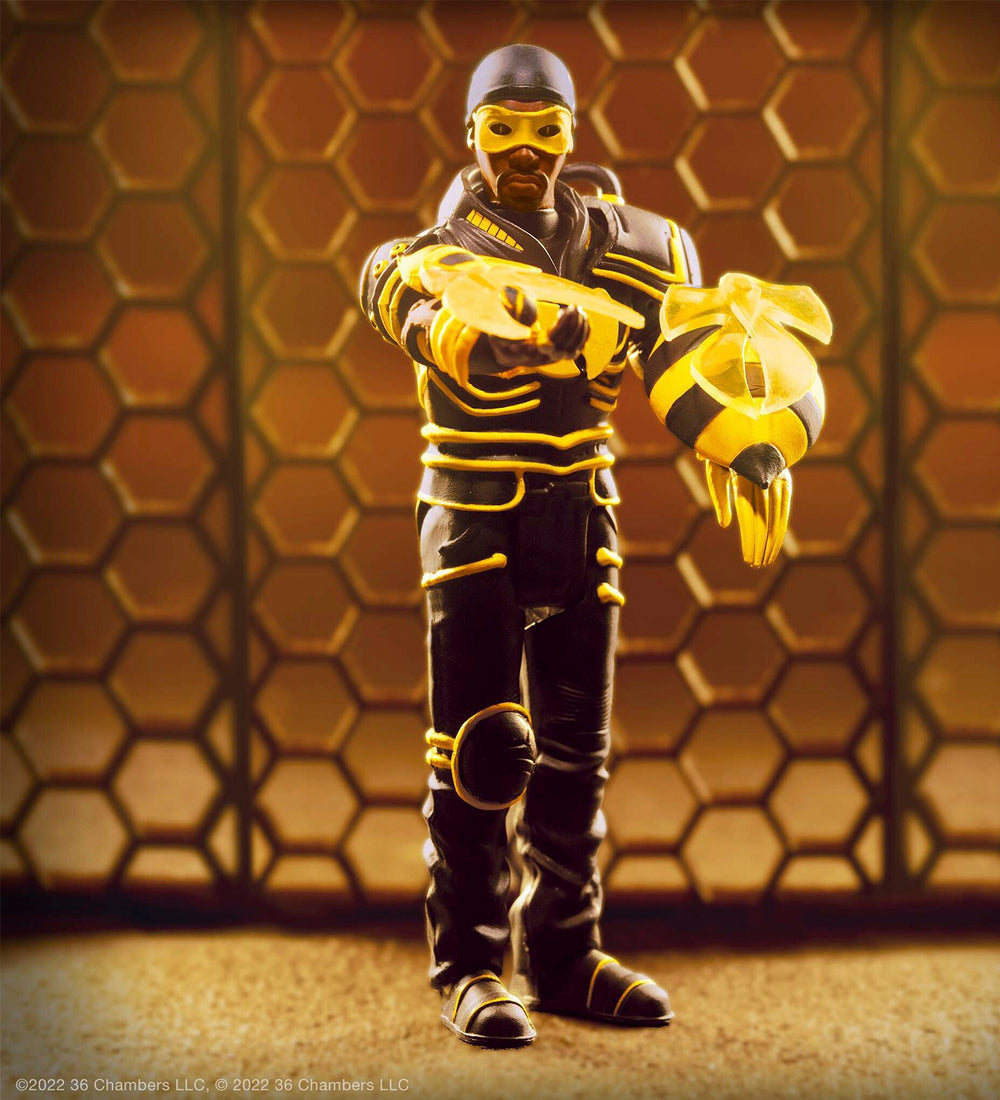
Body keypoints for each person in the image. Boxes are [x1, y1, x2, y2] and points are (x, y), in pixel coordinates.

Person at [358, 44, 826, 1048]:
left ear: (571, 133)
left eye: (543, 129)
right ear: (473, 134)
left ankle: (565, 953)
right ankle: (471, 963)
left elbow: (682, 360)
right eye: (503, 130)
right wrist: (496, 336)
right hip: (474, 511)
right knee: (480, 751)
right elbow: (421, 315)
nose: (523, 149)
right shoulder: (426, 254)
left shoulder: (640, 247)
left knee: (576, 757)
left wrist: (747, 441)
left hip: (584, 509)